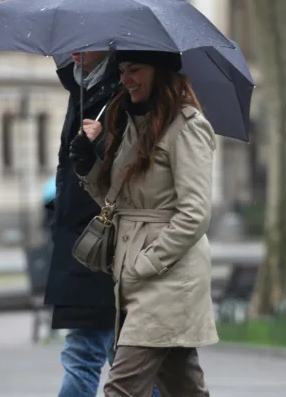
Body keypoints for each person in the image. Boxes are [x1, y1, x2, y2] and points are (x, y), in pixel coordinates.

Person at [70, 50, 218, 396]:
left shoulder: (188, 127)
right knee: (184, 388)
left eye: (135, 70)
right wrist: (89, 166)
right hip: (134, 274)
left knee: (122, 387)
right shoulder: (130, 126)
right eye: (122, 71)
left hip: (166, 277)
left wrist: (146, 264)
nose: (125, 79)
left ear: (160, 73)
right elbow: (118, 203)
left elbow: (195, 213)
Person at [45, 51, 161, 397]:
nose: (73, 53)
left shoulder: (124, 96)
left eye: (84, 43)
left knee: (95, 355)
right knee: (116, 357)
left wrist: (96, 148)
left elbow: (134, 175)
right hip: (80, 244)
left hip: (105, 244)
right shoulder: (82, 92)